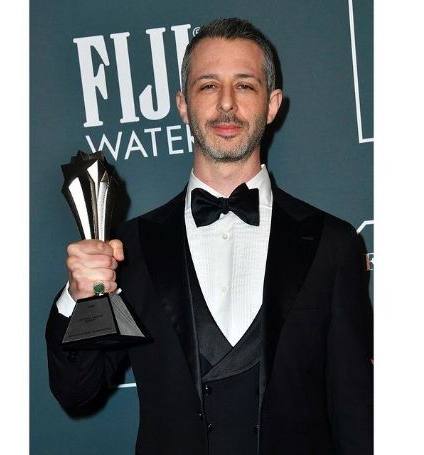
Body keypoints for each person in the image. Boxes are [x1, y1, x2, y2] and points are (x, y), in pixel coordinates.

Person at [46, 18, 373, 455]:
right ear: (183, 104)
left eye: (245, 85)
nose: (226, 103)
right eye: (208, 86)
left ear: (272, 104)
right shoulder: (129, 248)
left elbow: (357, 419)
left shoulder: (333, 245)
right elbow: (76, 390)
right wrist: (77, 298)